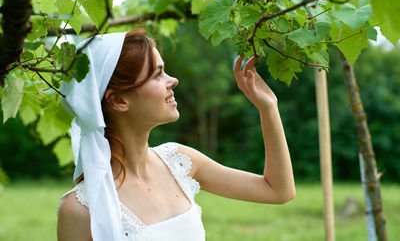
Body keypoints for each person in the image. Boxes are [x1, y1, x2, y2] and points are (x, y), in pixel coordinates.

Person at [57, 29, 295, 241]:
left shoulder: (179, 161)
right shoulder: (80, 209)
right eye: (157, 74)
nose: (173, 80)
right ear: (119, 100)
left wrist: (268, 108)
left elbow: (278, 190)